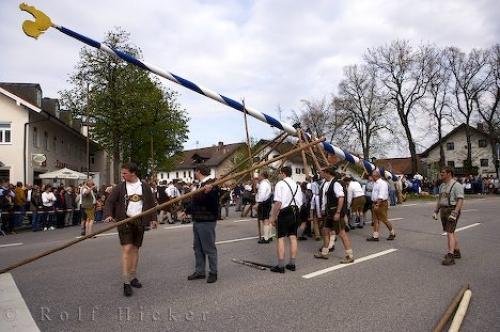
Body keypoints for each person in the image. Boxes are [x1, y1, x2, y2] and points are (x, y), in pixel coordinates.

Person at [104, 162, 158, 297]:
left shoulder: (144, 186)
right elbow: (110, 201)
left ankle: (133, 276)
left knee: (135, 248)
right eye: (122, 173)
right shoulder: (120, 187)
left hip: (139, 221)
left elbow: (151, 203)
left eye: (124, 173)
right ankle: (126, 281)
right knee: (127, 248)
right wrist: (109, 214)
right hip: (125, 221)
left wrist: (154, 218)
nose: (122, 175)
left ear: (133, 173)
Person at [186, 165, 220, 283]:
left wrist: (208, 193)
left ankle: (213, 272)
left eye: (195, 171)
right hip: (198, 219)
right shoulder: (201, 185)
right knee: (197, 248)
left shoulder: (212, 183)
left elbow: (213, 203)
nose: (194, 173)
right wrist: (186, 211)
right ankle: (200, 271)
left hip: (207, 220)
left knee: (209, 248)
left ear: (198, 172)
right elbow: (196, 202)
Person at [314, 167, 354, 263]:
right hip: (328, 213)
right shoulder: (325, 183)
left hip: (334, 212)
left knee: (341, 233)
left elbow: (341, 198)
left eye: (322, 172)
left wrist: (338, 212)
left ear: (328, 173)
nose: (320, 174)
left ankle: (350, 256)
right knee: (324, 230)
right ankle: (324, 252)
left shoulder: (336, 183)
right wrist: (323, 209)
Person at [268, 166, 303, 273]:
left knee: (281, 238)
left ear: (283, 173)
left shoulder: (280, 184)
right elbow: (300, 203)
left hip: (285, 212)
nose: (279, 175)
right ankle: (292, 264)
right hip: (296, 211)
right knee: (293, 237)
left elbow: (278, 202)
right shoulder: (297, 185)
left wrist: (273, 217)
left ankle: (281, 265)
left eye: (279, 173)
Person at [433, 167, 464, 266]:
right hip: (443, 210)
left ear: (449, 173)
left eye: (443, 173)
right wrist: (436, 211)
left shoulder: (456, 185)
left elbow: (460, 200)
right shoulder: (442, 185)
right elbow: (440, 199)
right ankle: (456, 251)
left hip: (452, 210)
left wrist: (455, 213)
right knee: (450, 231)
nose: (441, 174)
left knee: (449, 232)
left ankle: (450, 256)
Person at [367, 170, 396, 241]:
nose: (371, 177)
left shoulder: (382, 183)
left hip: (381, 203)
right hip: (375, 203)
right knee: (375, 220)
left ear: (375, 176)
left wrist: (377, 204)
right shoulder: (376, 183)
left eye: (372, 175)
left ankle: (392, 233)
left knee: (384, 219)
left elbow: (381, 194)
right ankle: (375, 236)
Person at [255, 171, 273, 243]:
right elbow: (259, 187)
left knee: (265, 220)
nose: (258, 177)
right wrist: (255, 182)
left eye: (259, 176)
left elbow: (262, 195)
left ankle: (266, 238)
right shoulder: (266, 182)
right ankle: (270, 235)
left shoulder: (264, 183)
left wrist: (258, 203)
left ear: (262, 176)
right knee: (267, 219)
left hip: (263, 203)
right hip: (267, 203)